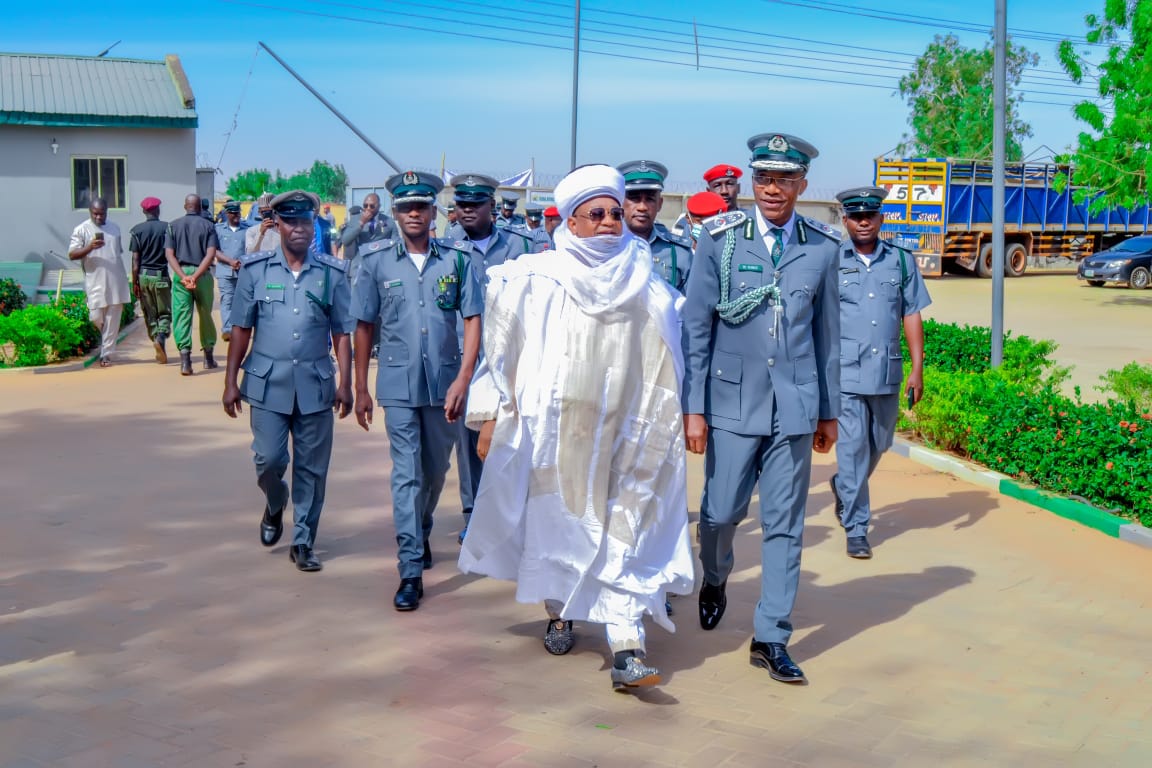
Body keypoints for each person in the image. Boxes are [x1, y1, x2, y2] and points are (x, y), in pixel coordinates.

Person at [459, 164, 694, 691]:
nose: (611, 221)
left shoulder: (646, 278)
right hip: (556, 432)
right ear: (570, 220)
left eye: (615, 212)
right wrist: (491, 416)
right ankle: (559, 610)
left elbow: (669, 353)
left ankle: (627, 646)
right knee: (562, 527)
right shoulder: (534, 278)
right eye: (597, 213)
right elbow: (501, 353)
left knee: (626, 532)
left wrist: (669, 420)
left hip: (631, 434)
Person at [682, 133, 841, 685]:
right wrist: (694, 408)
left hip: (794, 407)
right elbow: (696, 328)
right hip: (729, 403)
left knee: (785, 524)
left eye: (785, 180)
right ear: (753, 183)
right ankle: (715, 575)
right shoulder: (720, 240)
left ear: (802, 185)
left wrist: (828, 411)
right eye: (764, 179)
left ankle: (771, 635)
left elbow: (828, 338)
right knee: (720, 513)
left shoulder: (822, 246)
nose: (773, 189)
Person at [351, 171, 482, 612]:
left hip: (446, 387)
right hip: (397, 384)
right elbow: (364, 324)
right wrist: (360, 387)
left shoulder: (458, 260)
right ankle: (409, 568)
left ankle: (422, 526)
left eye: (421, 207)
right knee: (405, 474)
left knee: (434, 471)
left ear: (433, 212)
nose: (413, 214)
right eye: (406, 207)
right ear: (394, 212)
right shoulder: (375, 261)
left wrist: (464, 378)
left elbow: (472, 319)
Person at [223, 190, 353, 572]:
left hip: (315, 383)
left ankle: (304, 540)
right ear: (276, 223)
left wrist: (346, 382)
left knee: (312, 468)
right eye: (290, 220)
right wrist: (230, 381)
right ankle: (275, 503)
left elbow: (341, 332)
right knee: (268, 460)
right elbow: (241, 328)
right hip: (267, 383)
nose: (298, 227)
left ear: (313, 224)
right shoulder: (255, 270)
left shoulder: (332, 273)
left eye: (304, 220)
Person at [446, 173, 549, 544]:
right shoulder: (447, 248)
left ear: (493, 205)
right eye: (462, 204)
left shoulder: (522, 244)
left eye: (476, 203)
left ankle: (518, 514)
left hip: (516, 361)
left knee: (518, 440)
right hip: (465, 360)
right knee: (470, 441)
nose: (468, 210)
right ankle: (475, 513)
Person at [830, 186, 930, 559]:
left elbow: (911, 313)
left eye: (870, 215)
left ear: (881, 218)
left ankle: (843, 486)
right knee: (853, 449)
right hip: (846, 374)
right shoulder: (831, 261)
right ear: (845, 221)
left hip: (886, 370)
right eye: (856, 216)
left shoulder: (901, 262)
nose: (863, 221)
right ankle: (857, 528)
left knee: (881, 443)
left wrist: (917, 368)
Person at [68, 197, 131, 367]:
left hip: (116, 280)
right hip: (95, 281)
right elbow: (72, 254)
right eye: (95, 214)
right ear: (90, 212)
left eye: (101, 214)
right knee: (95, 316)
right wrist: (90, 247)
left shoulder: (115, 228)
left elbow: (117, 253)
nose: (98, 217)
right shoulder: (81, 229)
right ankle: (107, 338)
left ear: (106, 212)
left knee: (113, 318)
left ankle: (106, 354)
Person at [165, 193, 221, 375]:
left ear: (185, 206)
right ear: (199, 207)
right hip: (202, 275)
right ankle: (209, 358)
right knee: (205, 314)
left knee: (182, 316)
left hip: (181, 276)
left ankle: (185, 361)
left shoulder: (173, 226)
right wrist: (195, 276)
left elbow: (169, 254)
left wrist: (183, 276)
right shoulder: (208, 226)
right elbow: (210, 253)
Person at [617, 160, 694, 291]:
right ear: (620, 201)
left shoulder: (679, 253)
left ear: (660, 204)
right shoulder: (607, 247)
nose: (642, 207)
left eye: (650, 199)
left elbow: (689, 307)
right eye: (634, 199)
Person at [129, 197, 172, 364]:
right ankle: (161, 337)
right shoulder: (168, 228)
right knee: (165, 312)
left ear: (144, 211)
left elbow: (135, 262)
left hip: (144, 276)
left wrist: (135, 283)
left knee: (150, 313)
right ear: (158, 210)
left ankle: (156, 339)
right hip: (161, 275)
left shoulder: (136, 231)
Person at [214, 201, 249, 342]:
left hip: (244, 272)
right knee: (227, 300)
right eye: (233, 213)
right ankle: (228, 330)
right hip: (225, 271)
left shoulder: (247, 229)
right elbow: (214, 250)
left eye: (238, 212)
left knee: (241, 301)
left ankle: (240, 327)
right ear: (227, 214)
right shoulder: (218, 229)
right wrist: (230, 261)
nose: (236, 215)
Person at [340, 193, 395, 277]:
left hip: (381, 269)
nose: (368, 208)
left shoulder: (388, 221)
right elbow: (345, 240)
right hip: (359, 269)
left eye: (372, 206)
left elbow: (396, 243)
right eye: (365, 206)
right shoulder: (355, 219)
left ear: (379, 206)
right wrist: (361, 224)